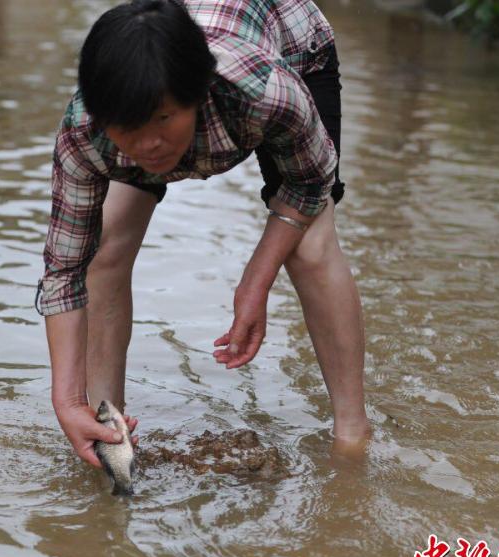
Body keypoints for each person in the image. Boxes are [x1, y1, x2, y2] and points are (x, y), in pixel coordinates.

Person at [36, 0, 369, 468]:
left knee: (310, 248)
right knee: (104, 248)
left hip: (291, 44)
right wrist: (67, 402)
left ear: (197, 96)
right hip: (175, 74)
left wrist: (256, 281)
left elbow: (310, 182)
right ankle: (109, 434)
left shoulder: (264, 94)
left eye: (163, 121)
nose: (147, 144)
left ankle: (353, 432)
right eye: (128, 129)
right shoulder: (85, 131)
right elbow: (63, 271)